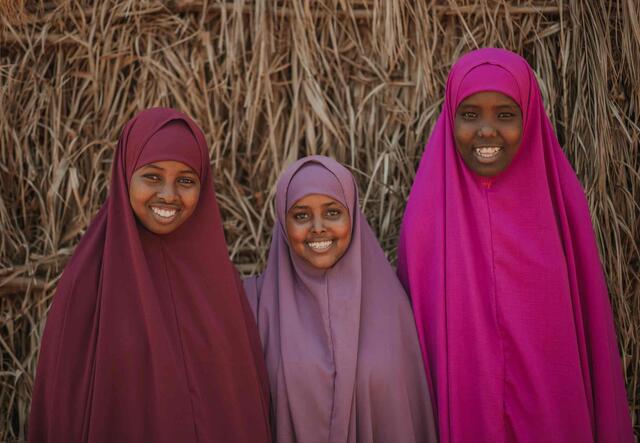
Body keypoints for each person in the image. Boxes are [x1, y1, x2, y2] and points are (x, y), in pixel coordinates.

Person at [397, 48, 633, 442]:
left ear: (529, 115)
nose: (486, 130)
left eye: (505, 115)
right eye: (469, 115)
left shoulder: (561, 209)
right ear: (449, 116)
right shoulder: (426, 219)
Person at [29, 108, 271, 443]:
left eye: (186, 180)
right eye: (152, 177)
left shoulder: (221, 287)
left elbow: (243, 405)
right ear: (126, 174)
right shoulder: (88, 283)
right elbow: (62, 410)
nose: (169, 195)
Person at [243, 155, 437, 443]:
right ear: (283, 225)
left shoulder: (393, 310)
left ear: (353, 218)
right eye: (301, 215)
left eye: (333, 212)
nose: (318, 227)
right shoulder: (256, 306)